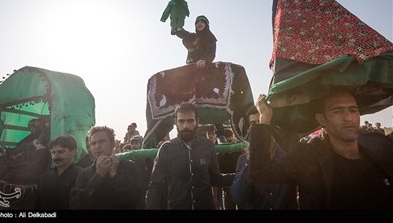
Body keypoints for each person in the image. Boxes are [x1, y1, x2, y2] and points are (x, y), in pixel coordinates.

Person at [249, 88, 393, 209]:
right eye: (337, 111)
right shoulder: (307, 156)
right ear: (322, 119)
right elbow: (261, 173)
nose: (348, 117)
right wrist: (264, 119)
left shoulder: (380, 147)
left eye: (353, 110)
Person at [145, 102, 235, 210]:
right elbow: (155, 186)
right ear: (175, 122)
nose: (185, 126)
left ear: (198, 121)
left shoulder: (208, 146)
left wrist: (242, 174)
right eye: (181, 121)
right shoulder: (166, 149)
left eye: (190, 120)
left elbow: (214, 178)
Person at [70, 126, 141, 209]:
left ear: (113, 143)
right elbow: (76, 205)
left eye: (102, 141)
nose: (97, 146)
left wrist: (114, 175)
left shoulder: (128, 166)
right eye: (93, 143)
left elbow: (134, 199)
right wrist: (98, 175)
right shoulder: (84, 173)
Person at [36, 135, 82, 209]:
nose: (56, 157)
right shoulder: (45, 178)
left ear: (73, 151)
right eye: (53, 153)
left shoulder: (82, 175)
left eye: (61, 152)